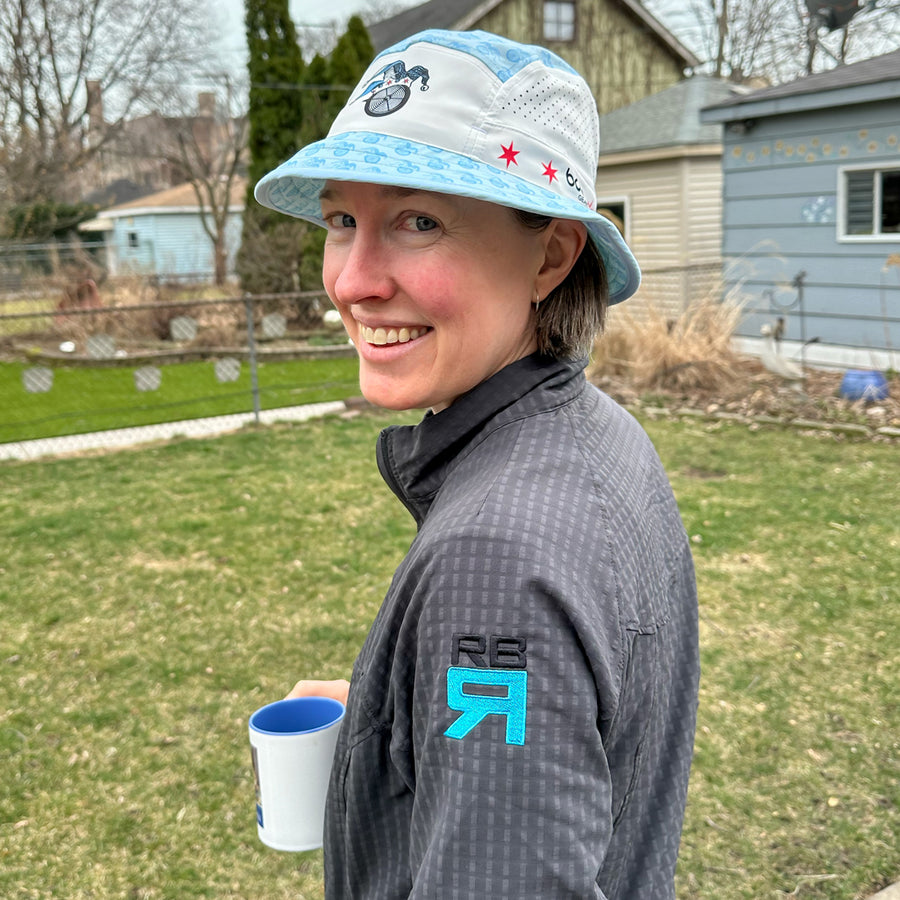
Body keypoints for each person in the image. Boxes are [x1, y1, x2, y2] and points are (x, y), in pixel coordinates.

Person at [254, 29, 699, 899]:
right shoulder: (600, 433)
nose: (352, 280)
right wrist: (392, 715)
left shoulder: (497, 558)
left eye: (419, 220)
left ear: (550, 256)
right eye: (344, 220)